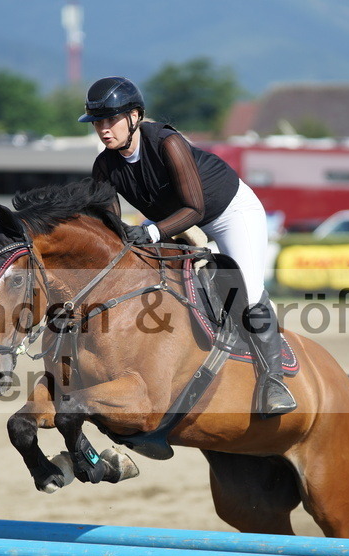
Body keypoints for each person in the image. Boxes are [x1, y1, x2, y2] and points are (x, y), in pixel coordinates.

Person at [79, 76, 295, 416]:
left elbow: (194, 209)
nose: (103, 129)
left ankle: (274, 381)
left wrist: (151, 233)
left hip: (228, 212)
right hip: (174, 222)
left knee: (249, 293)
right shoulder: (105, 165)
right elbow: (109, 225)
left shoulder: (167, 142)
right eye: (97, 122)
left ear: (134, 117)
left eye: (111, 120)